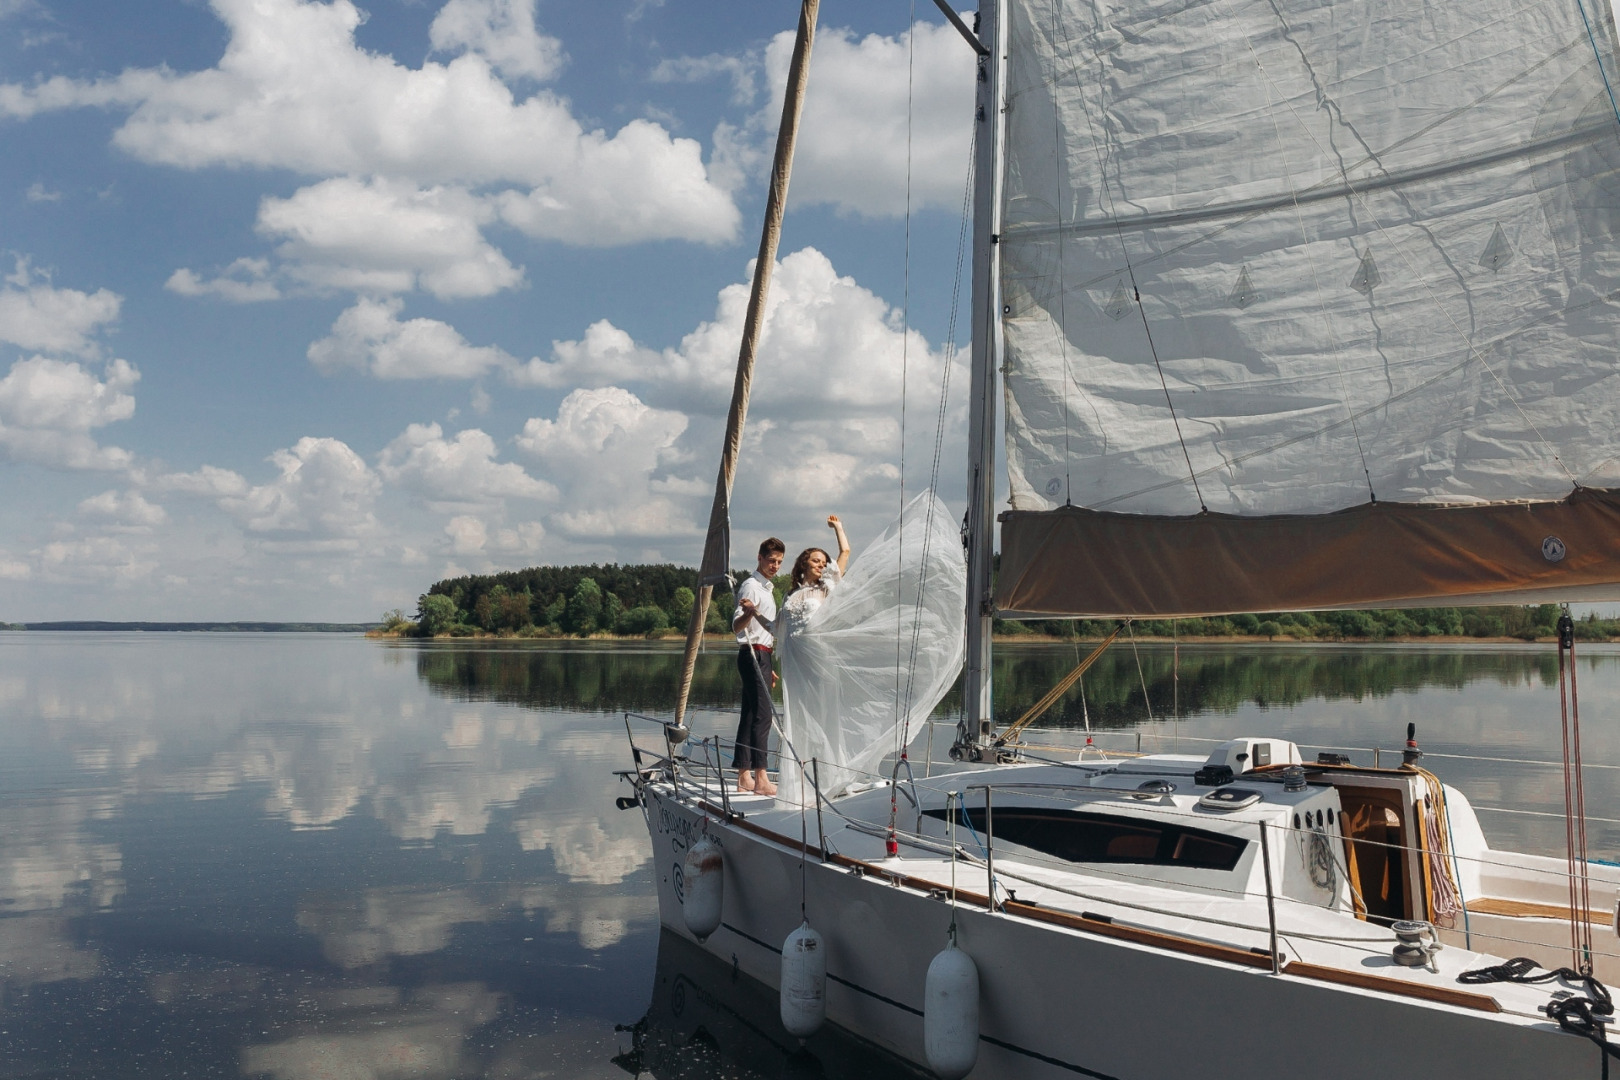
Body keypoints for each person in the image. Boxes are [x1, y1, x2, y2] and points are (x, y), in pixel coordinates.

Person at [733, 537, 784, 795]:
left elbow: (764, 631)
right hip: (753, 654)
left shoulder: (766, 589)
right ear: (760, 558)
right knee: (764, 716)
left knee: (751, 715)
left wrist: (768, 664)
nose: (775, 566)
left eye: (779, 562)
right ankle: (761, 778)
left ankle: (744, 776)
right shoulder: (751, 587)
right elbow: (735, 627)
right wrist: (749, 613)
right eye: (771, 560)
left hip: (761, 655)